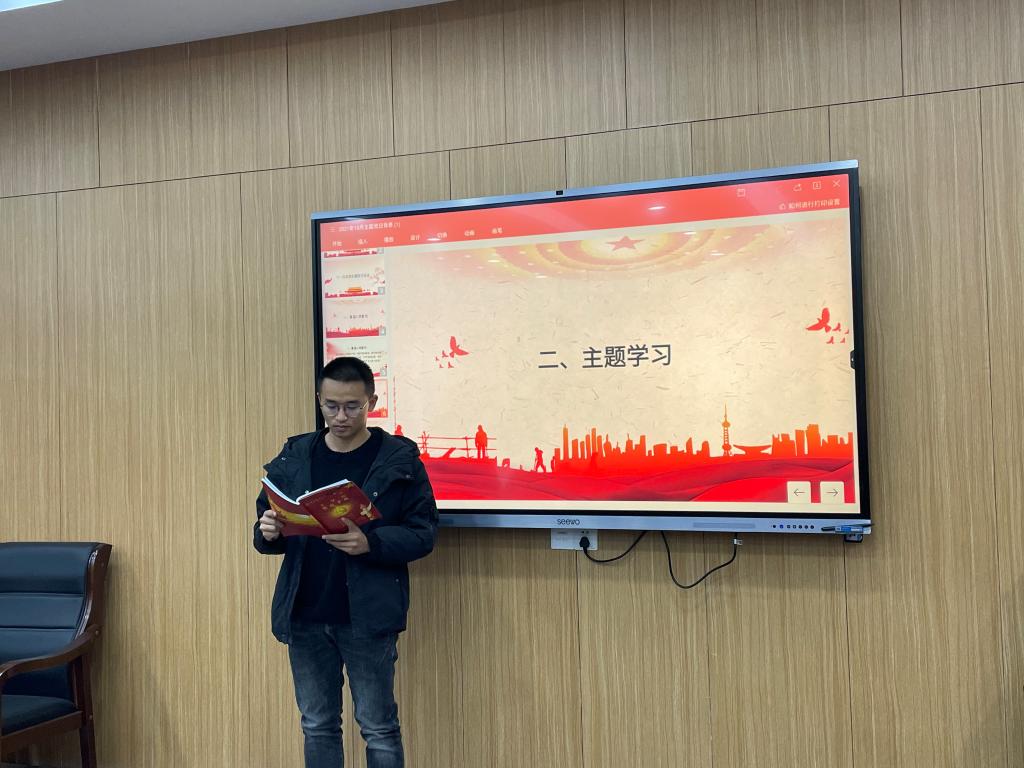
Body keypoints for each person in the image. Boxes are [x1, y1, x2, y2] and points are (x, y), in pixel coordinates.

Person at [253, 356, 438, 768]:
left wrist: (370, 543)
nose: (340, 417)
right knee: (317, 725)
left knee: (378, 727)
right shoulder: (296, 454)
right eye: (331, 405)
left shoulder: (397, 459)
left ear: (372, 402)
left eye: (353, 406)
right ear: (319, 399)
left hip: (367, 617)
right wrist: (267, 530)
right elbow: (267, 521)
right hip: (305, 612)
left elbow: (424, 532)